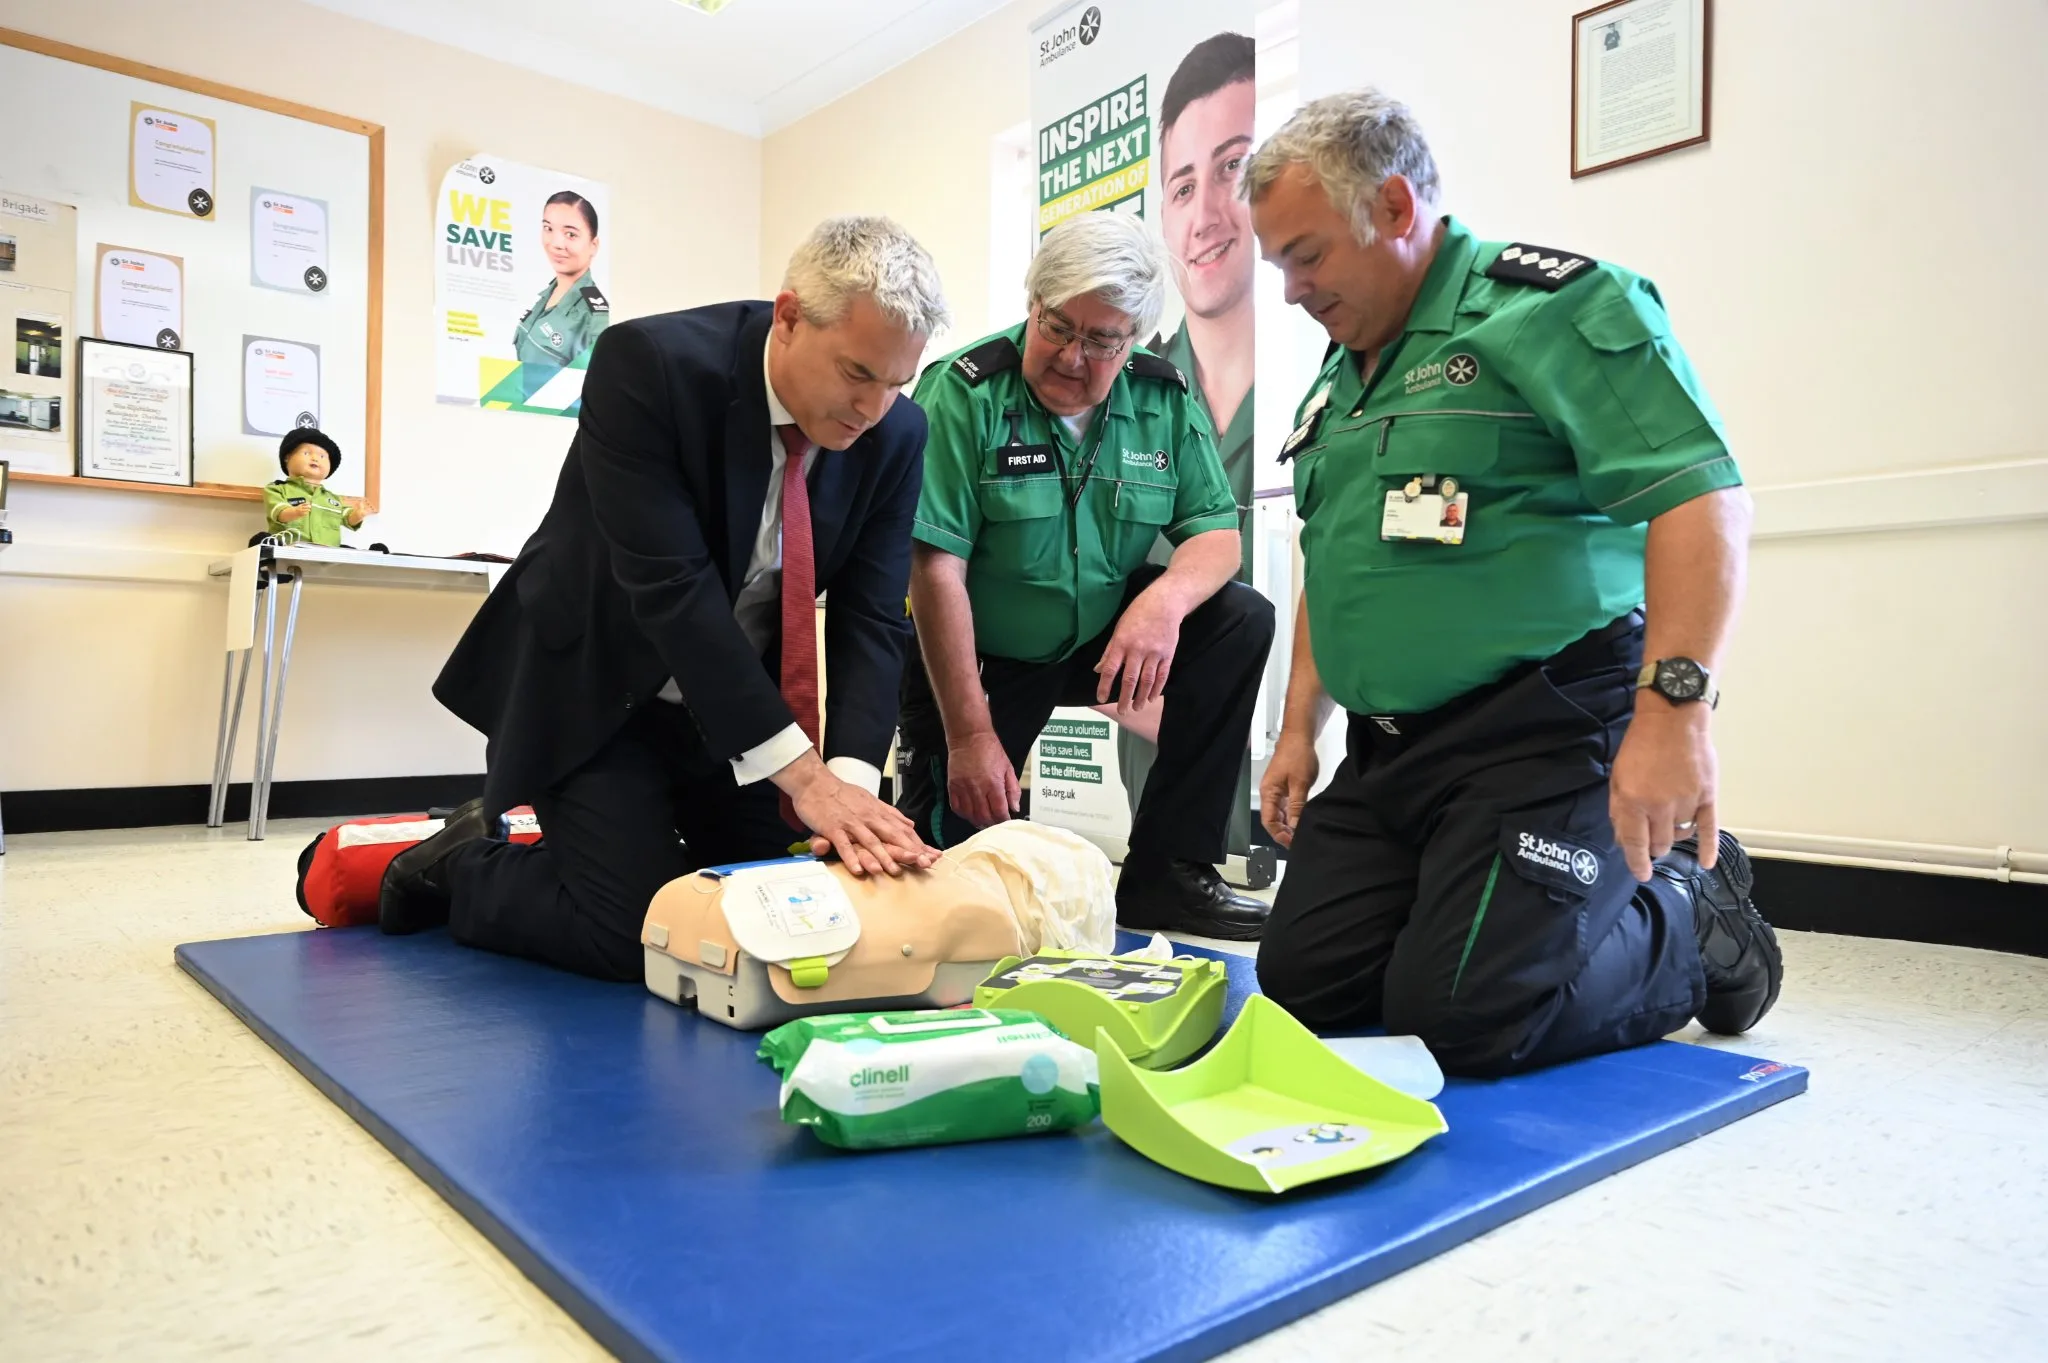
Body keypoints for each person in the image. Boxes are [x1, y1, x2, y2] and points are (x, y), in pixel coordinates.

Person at [1244, 89, 1783, 1076]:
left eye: (1306, 254)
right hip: (1390, 751)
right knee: (1304, 989)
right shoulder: (1339, 376)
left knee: (1464, 1021)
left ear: (1397, 211)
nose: (1289, 289)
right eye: (1278, 261)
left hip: (1540, 726)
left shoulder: (1553, 309)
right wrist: (1295, 728)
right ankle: (1501, 919)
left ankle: (1685, 909)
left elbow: (1700, 499)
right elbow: (1336, 558)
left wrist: (1673, 717)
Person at [380, 217, 952, 981]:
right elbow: (674, 593)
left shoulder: (898, 433)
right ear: (788, 317)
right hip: (596, 685)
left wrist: (849, 790)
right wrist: (806, 780)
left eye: (896, 383)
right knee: (635, 934)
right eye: (856, 373)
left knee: (788, 910)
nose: (873, 409)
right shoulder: (648, 363)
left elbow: (872, 616)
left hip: (728, 707)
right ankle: (459, 862)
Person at [897, 211, 1277, 941]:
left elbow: (1217, 535)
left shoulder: (1161, 398)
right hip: (979, 655)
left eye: (1100, 341)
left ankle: (1170, 872)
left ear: (1131, 339)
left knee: (1238, 620)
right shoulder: (964, 391)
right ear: (1032, 305)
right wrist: (973, 734)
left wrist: (1164, 601)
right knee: (959, 888)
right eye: (1057, 327)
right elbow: (935, 566)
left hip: (1099, 635)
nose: (1072, 357)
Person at [1113, 32, 1262, 859]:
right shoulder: (1124, 393)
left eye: (1234, 166)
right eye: (1181, 185)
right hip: (1161, 759)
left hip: (1305, 774)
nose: (1205, 213)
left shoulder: (1314, 396)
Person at [512, 191, 610, 381]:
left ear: (593, 245)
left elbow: (597, 387)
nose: (556, 243)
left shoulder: (595, 316)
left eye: (570, 234)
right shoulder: (546, 295)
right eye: (548, 229)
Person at [263, 428, 364, 546]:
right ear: (287, 457)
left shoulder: (334, 499)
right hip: (288, 555)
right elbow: (278, 513)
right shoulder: (277, 489)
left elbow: (347, 519)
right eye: (306, 453)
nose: (315, 458)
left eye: (322, 456)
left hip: (327, 557)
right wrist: (294, 512)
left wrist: (357, 515)